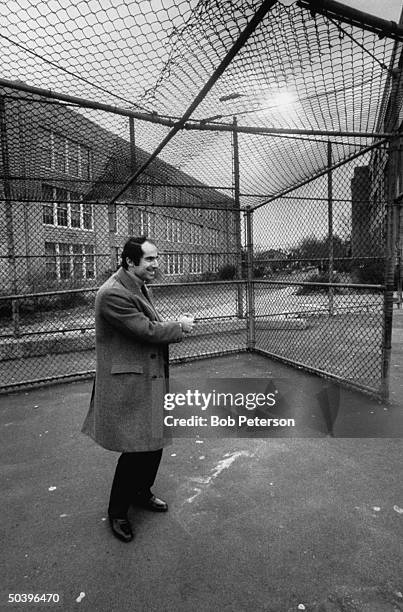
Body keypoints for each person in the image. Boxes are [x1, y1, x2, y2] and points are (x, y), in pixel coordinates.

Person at [81, 236, 194, 542]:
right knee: (134, 449)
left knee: (154, 440)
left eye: (156, 258)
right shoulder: (113, 293)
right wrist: (180, 326)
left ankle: (141, 493)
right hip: (129, 381)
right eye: (149, 260)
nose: (156, 265)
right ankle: (118, 512)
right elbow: (145, 330)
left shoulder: (135, 283)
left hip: (148, 376)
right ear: (130, 261)